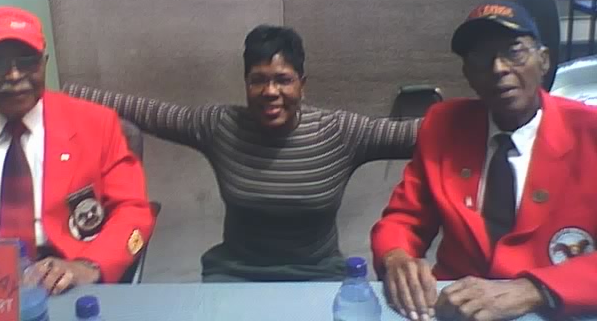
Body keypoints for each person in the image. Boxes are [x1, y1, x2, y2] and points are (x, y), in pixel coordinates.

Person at [65, 24, 421, 282]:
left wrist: (473, 114)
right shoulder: (220, 125)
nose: (270, 91)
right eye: (257, 80)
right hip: (236, 274)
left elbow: (416, 134)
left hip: (318, 274)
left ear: (302, 84)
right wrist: (58, 93)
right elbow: (146, 111)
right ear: (246, 84)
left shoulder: (341, 132)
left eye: (283, 79)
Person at [371, 1, 597, 320]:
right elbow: (405, 217)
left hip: (554, 308)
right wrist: (396, 257)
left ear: (544, 61)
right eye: (480, 58)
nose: (498, 68)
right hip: (457, 306)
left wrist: (535, 289)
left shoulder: (590, 132)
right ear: (468, 75)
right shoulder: (444, 123)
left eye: (514, 51)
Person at [0, 6, 154, 294]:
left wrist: (90, 264)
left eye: (26, 61)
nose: (13, 75)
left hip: (61, 275)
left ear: (44, 63)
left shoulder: (96, 124)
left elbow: (133, 211)